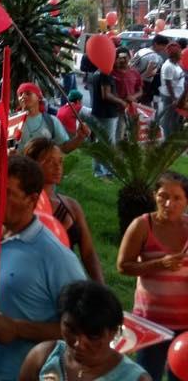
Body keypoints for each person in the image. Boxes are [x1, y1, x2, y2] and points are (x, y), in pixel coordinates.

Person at [0, 155, 86, 381]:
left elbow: (83, 329)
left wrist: (18, 329)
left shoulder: (56, 257)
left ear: (32, 199)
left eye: (7, 192)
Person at [116, 170, 188, 379]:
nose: (168, 203)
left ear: (186, 201)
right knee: (148, 375)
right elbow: (123, 265)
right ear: (154, 195)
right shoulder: (142, 225)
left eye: (177, 198)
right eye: (163, 196)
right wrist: (159, 264)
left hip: (186, 324)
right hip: (150, 324)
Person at [19, 280, 149, 381]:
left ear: (113, 332)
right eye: (71, 330)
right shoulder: (42, 357)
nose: (78, 344)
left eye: (92, 336)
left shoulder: (135, 378)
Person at [23, 138, 103, 282]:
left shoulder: (72, 206)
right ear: (33, 163)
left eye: (60, 161)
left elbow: (88, 252)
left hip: (68, 282)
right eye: (50, 161)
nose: (58, 167)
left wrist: (101, 287)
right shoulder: (23, 203)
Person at [15, 82, 85, 153]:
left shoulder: (51, 121)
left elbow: (64, 148)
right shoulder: (12, 122)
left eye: (28, 93)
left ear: (39, 97)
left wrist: (79, 137)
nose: (23, 96)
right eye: (20, 94)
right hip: (19, 164)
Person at [158, 42, 185, 138]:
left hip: (178, 96)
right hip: (170, 97)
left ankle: (174, 138)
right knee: (168, 119)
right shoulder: (168, 66)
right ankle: (167, 139)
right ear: (174, 54)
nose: (181, 53)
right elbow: (168, 84)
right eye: (179, 52)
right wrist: (174, 99)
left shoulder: (176, 64)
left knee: (175, 119)